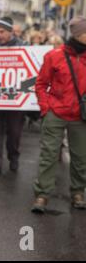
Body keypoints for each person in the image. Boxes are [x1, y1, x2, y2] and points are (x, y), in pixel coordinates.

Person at [32, 16, 86, 213]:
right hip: (56, 112)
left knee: (81, 157)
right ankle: (42, 195)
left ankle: (78, 192)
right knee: (49, 155)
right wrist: (46, 109)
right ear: (79, 35)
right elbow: (40, 84)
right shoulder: (54, 56)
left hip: (81, 117)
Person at [0, 17, 26, 175]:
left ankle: (13, 156)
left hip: (15, 99)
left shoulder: (24, 47)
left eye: (2, 32)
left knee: (14, 133)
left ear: (10, 32)